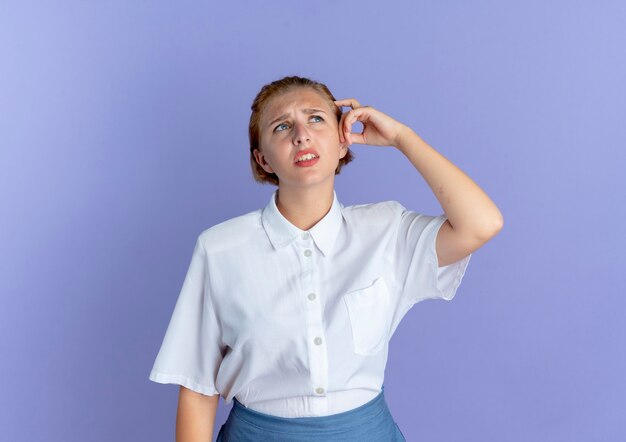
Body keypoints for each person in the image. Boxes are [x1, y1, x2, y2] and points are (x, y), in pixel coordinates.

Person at [149, 75, 503, 441]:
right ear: (262, 159)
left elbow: (481, 224)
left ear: (342, 139)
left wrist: (402, 138)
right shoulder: (220, 248)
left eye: (316, 118)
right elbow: (197, 386)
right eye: (282, 126)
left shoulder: (386, 230)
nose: (300, 134)